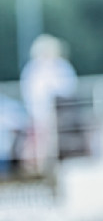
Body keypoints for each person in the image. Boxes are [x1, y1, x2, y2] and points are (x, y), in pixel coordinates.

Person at [20, 34, 78, 170]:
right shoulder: (33, 69)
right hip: (40, 115)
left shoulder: (61, 67)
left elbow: (67, 90)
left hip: (61, 115)